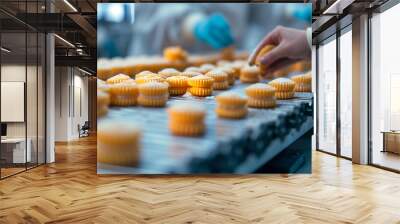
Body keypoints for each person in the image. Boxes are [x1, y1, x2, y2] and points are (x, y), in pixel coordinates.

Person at [98, 3, 311, 57]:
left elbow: (256, 10)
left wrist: (289, 10)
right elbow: (148, 18)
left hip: (223, 58)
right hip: (162, 59)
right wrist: (192, 24)